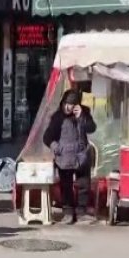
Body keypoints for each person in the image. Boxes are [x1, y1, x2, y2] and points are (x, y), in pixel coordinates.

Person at [43, 89, 96, 224]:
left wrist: (81, 117)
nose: (67, 107)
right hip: (64, 157)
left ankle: (81, 212)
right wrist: (56, 147)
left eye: (71, 105)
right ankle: (68, 212)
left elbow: (92, 128)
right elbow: (47, 137)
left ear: (76, 105)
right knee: (66, 186)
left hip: (81, 155)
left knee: (84, 184)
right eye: (65, 104)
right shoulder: (58, 117)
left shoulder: (84, 112)